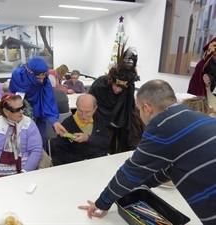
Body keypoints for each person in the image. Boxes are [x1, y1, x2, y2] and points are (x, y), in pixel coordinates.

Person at [78, 79, 216, 225]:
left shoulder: (161, 125)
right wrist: (141, 186)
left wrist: (102, 203)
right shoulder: (195, 115)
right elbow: (170, 167)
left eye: (138, 109)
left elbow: (130, 172)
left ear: (147, 108)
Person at [89, 45, 144, 154]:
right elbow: (90, 104)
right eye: (116, 86)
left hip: (119, 123)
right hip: (99, 122)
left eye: (122, 88)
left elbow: (129, 107)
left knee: (117, 149)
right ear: (111, 81)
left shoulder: (128, 89)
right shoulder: (99, 86)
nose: (118, 90)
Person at [0, 94, 43, 180]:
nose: (21, 112)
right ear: (6, 111)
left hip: (24, 175)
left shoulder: (28, 124)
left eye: (22, 107)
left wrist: (24, 174)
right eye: (17, 110)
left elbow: (36, 151)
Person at [9, 57, 67, 148]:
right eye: (38, 78)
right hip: (20, 115)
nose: (41, 81)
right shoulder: (17, 76)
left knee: (40, 142)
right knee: (22, 144)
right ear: (30, 74)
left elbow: (49, 102)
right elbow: (11, 96)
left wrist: (55, 122)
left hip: (39, 112)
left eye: (43, 78)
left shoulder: (45, 81)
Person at [55, 94, 110, 164]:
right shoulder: (67, 124)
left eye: (87, 112)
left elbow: (106, 142)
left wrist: (88, 138)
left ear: (94, 109)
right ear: (76, 107)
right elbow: (59, 153)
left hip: (99, 161)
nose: (83, 116)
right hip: (78, 164)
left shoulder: (99, 119)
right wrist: (81, 161)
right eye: (80, 111)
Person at [187, 37, 216, 111]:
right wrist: (206, 81)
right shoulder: (202, 65)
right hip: (205, 99)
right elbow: (196, 85)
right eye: (214, 55)